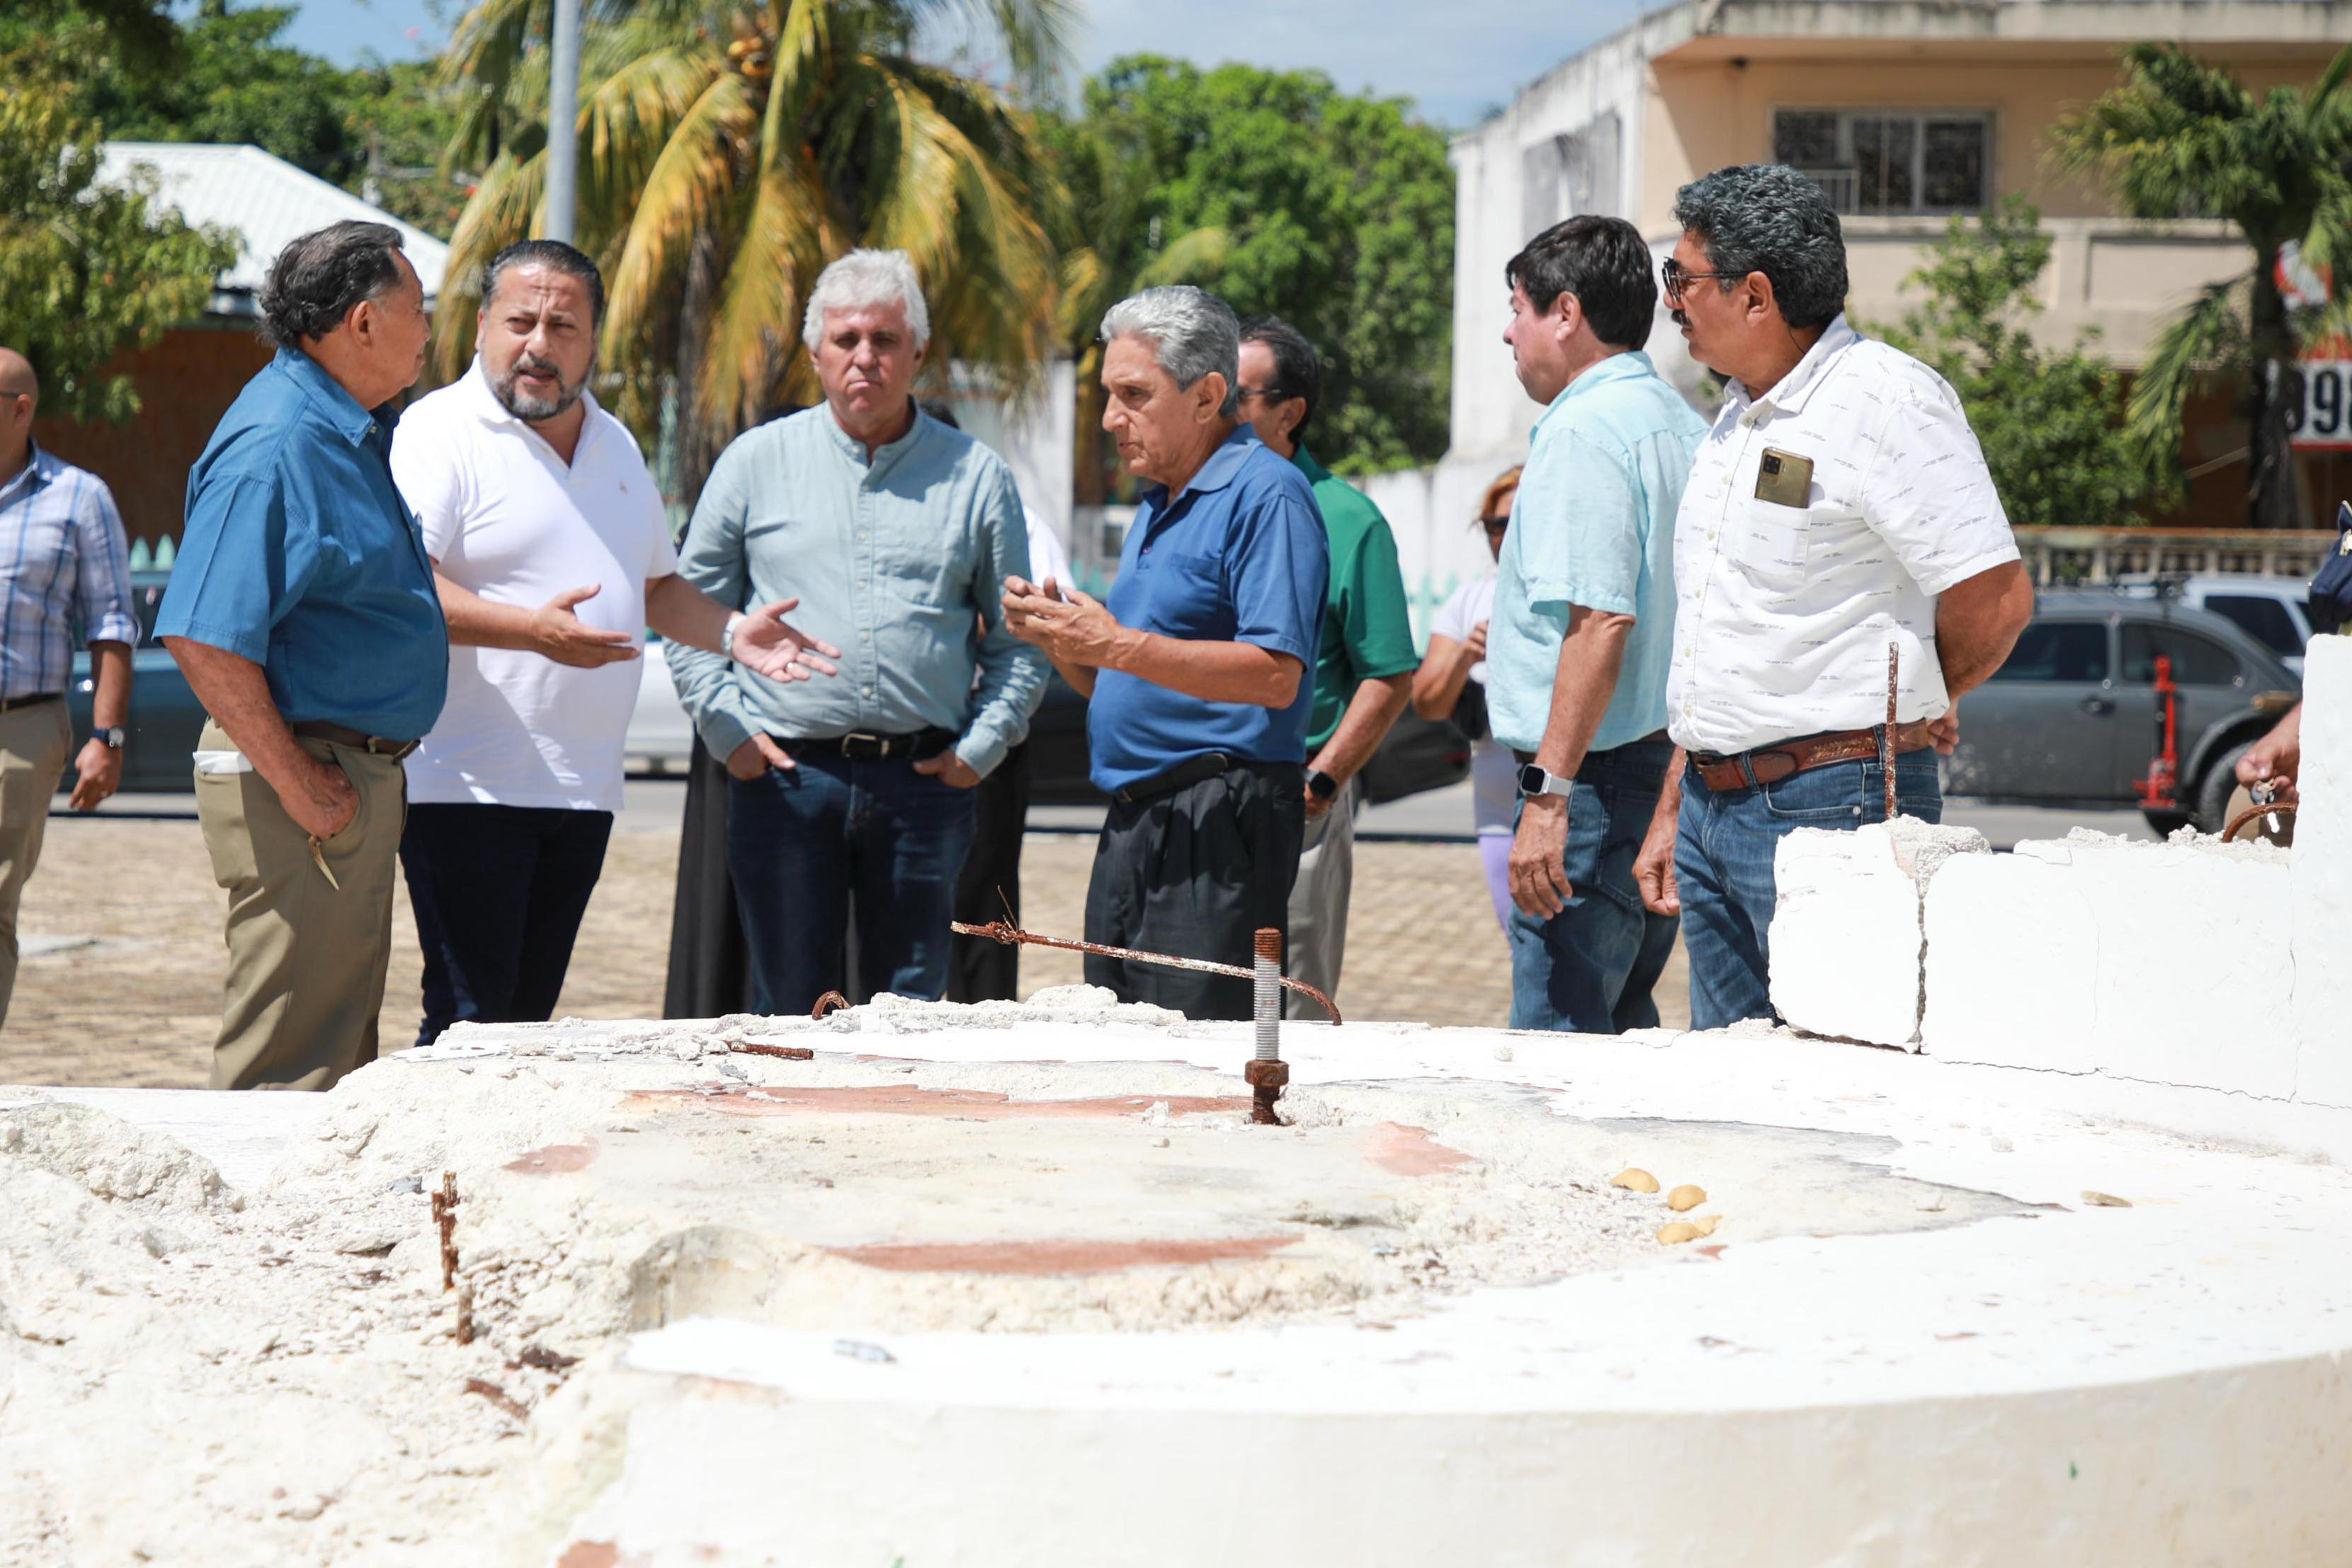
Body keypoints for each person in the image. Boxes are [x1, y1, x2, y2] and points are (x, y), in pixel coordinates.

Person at [389, 239, 836, 1043]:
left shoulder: (617, 443)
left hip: (582, 789)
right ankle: (419, 1135)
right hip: (465, 784)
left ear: (593, 340)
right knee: (468, 1021)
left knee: (524, 1022)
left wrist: (734, 631)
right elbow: (406, 588)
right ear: (482, 325)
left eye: (563, 326)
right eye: (520, 322)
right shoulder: (439, 431)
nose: (539, 344)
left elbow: (656, 588)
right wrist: (532, 632)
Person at [1633, 164, 2033, 1030]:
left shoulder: (1887, 401)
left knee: (1841, 1077)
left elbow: (1996, 599)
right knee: (1732, 1085)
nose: (1671, 302)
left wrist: (1927, 697)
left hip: (1833, 803)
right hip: (1712, 806)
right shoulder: (1738, 417)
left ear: (1755, 295)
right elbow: (1721, 634)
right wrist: (1676, 806)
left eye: (1683, 279)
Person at [668, 249, 1046, 1015]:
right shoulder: (754, 463)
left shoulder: (977, 477)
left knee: (909, 1016)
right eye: (845, 340)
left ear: (919, 353)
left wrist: (979, 751)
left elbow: (1020, 641)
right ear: (816, 354)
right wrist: (729, 732)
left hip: (923, 788)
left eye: (884, 339)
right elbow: (686, 612)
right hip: (785, 779)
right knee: (789, 1011)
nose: (864, 357)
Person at [157, 221, 449, 1090]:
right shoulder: (280, 443)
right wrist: (302, 787)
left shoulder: (342, 429)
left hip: (338, 780)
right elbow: (202, 635)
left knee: (331, 1058)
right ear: (363, 322)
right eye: (419, 307)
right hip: (308, 784)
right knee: (286, 1071)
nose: (430, 328)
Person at [1003, 286, 1327, 1020]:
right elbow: (1126, 679)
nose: (1110, 418)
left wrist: (1116, 642)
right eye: (1108, 395)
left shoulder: (1267, 495)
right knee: (1118, 1047)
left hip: (1215, 823)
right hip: (1136, 821)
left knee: (1197, 1054)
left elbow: (1276, 677)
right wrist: (1057, 635)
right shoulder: (1159, 500)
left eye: (1133, 395)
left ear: (1208, 395)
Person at [1484, 216, 1706, 1035]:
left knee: (1559, 1052)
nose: (1509, 332)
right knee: (1619, 1036)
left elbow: (1601, 621)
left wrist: (1548, 798)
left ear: (1567, 313)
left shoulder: (1585, 429)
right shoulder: (1681, 423)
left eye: (1519, 309)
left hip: (1591, 785)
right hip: (1647, 774)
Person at [1234, 317, 1416, 1016]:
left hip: (1299, 797)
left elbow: (1388, 674)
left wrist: (1321, 782)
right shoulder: (1197, 507)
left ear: (1290, 412)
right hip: (1204, 796)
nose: (1215, 409)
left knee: (1291, 1007)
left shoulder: (1348, 519)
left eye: (1237, 396)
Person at [0, 347, 138, 1026]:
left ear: (20, 409)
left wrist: (105, 737)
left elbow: (111, 621)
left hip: (20, 730)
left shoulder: (79, 497)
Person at [1412, 465, 1521, 931]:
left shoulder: (1570, 596)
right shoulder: (1470, 599)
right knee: (1519, 945)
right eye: (1494, 525)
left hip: (1569, 804)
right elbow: (1427, 702)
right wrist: (1464, 656)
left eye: (1517, 522)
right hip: (1496, 807)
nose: (1504, 536)